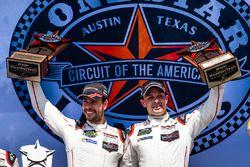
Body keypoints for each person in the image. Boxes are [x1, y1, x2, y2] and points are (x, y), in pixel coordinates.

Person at [121, 80, 224, 167]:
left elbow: (209, 111)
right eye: (150, 98)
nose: (156, 101)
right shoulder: (134, 132)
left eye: (160, 96)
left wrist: (217, 83)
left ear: (166, 99)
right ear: (143, 103)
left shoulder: (184, 125)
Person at [27, 81, 124, 167]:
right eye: (85, 101)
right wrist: (31, 79)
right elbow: (42, 106)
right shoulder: (71, 128)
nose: (88, 107)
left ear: (105, 104)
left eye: (93, 102)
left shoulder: (120, 137)